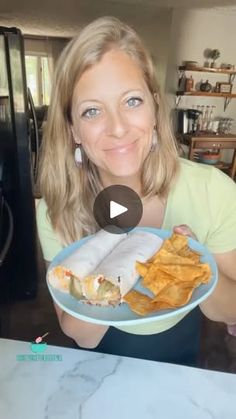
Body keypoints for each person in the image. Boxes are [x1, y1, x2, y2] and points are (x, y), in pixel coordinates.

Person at [36, 16, 236, 366]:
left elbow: (230, 309)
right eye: (92, 111)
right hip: (98, 369)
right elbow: (81, 337)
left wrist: (192, 267)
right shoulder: (57, 210)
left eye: (131, 101)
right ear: (73, 130)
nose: (117, 128)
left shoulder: (212, 190)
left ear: (155, 106)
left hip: (183, 365)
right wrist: (107, 252)